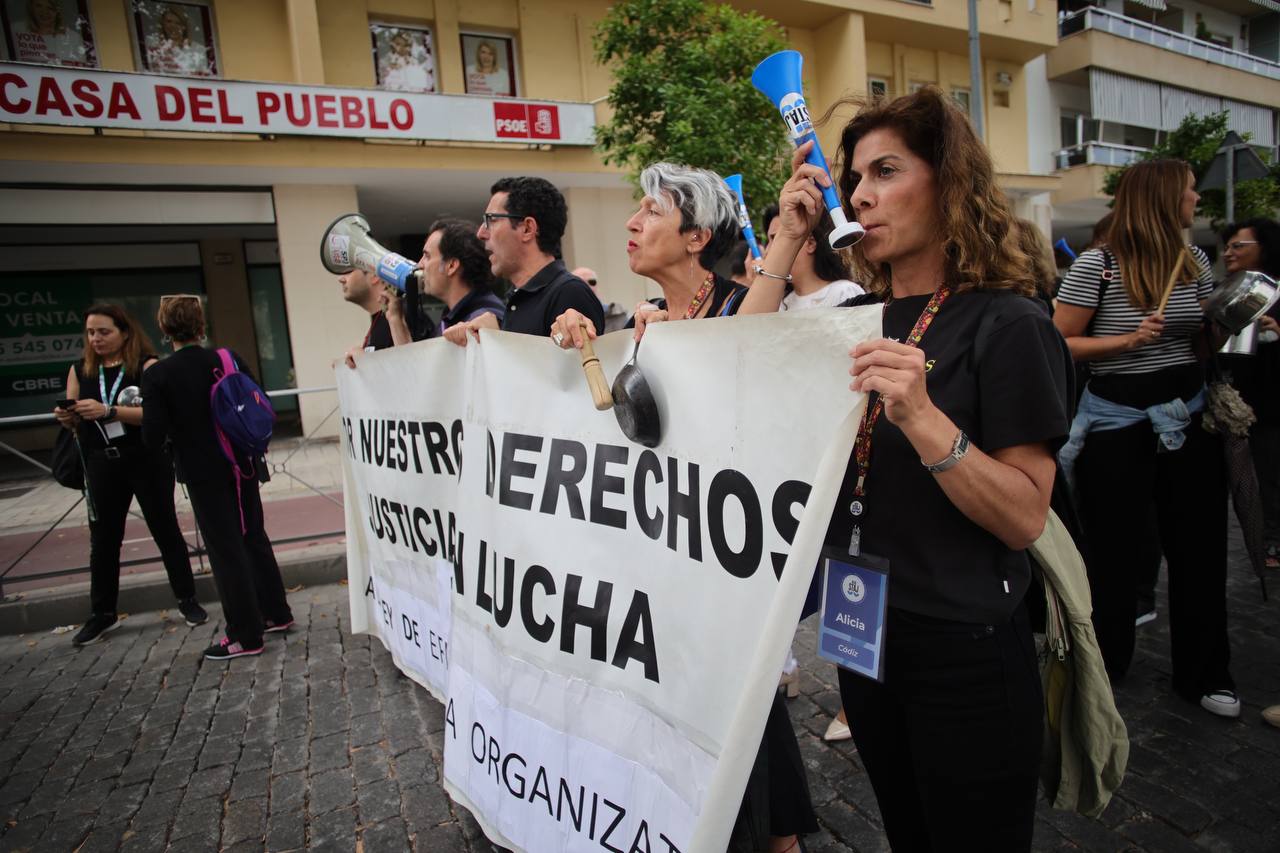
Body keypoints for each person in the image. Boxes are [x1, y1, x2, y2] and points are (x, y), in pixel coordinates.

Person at [763, 87, 1071, 848]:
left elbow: (1027, 514)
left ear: (949, 182)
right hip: (861, 628)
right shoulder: (849, 320)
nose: (861, 193)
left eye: (887, 171)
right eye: (854, 176)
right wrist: (783, 243)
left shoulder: (1010, 322)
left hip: (964, 647)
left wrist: (927, 420)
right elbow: (727, 369)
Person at [551, 162, 809, 853]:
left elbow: (738, 352)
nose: (631, 225)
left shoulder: (745, 307)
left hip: (731, 561)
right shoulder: (649, 326)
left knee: (745, 704)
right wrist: (578, 336)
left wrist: (784, 235)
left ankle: (780, 837)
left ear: (696, 236)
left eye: (650, 212)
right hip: (671, 563)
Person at [1053, 159, 1238, 718]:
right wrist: (1127, 342)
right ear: (1161, 198)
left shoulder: (1194, 261)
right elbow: (1059, 342)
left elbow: (1202, 345)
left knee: (1200, 550)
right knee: (1114, 554)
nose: (1195, 200)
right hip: (1117, 425)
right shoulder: (1097, 265)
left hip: (1188, 418)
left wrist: (1226, 323)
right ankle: (1106, 667)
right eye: (1187, 191)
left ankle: (1206, 673)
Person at [142, 295, 293, 661]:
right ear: (201, 325)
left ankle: (245, 635)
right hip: (242, 463)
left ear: (163, 329)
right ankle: (276, 612)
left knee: (226, 551)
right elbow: (258, 398)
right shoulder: (226, 359)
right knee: (253, 536)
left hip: (202, 471)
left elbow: (153, 434)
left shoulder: (158, 375)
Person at [53, 304, 205, 646]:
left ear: (124, 332)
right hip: (102, 462)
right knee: (104, 541)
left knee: (165, 529)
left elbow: (157, 415)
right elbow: (74, 412)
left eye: (104, 331)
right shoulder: (80, 370)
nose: (96, 339)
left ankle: (187, 600)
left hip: (146, 458)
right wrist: (69, 417)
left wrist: (109, 410)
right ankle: (102, 614)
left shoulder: (147, 367)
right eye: (91, 332)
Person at [444, 176, 603, 345]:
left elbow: (569, 369)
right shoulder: (517, 298)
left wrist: (497, 339)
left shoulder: (569, 293)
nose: (481, 233)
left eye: (490, 220)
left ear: (527, 228)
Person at [1220, 218, 1280, 568]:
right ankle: (1262, 539)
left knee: (1270, 473)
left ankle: (1272, 540)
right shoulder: (1228, 290)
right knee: (1248, 478)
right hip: (1237, 402)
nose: (1229, 251)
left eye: (1238, 245)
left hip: (1271, 403)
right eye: (1228, 245)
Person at [742, 204, 863, 313]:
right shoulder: (782, 303)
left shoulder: (844, 292)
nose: (767, 250)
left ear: (810, 243)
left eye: (776, 238)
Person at [419, 218, 505, 335]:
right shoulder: (453, 315)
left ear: (452, 266)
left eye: (427, 256)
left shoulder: (482, 322)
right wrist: (396, 319)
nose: (420, 264)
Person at [339, 267, 410, 368]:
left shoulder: (403, 315)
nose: (341, 279)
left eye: (348, 271)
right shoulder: (382, 320)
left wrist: (365, 362)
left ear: (374, 275)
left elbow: (410, 370)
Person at [13, 0, 91, 66]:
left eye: (50, 8)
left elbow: (80, 66)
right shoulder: (15, 29)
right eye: (39, 6)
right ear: (31, 8)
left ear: (57, 12)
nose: (44, 12)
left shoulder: (73, 37)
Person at [146, 5, 211, 76]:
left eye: (178, 23)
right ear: (163, 23)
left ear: (184, 27)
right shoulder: (154, 48)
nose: (173, 26)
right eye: (169, 21)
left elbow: (205, 76)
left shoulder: (198, 49)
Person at [573, 265, 628, 333]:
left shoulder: (616, 313)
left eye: (592, 282)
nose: (588, 286)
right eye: (581, 283)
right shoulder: (568, 319)